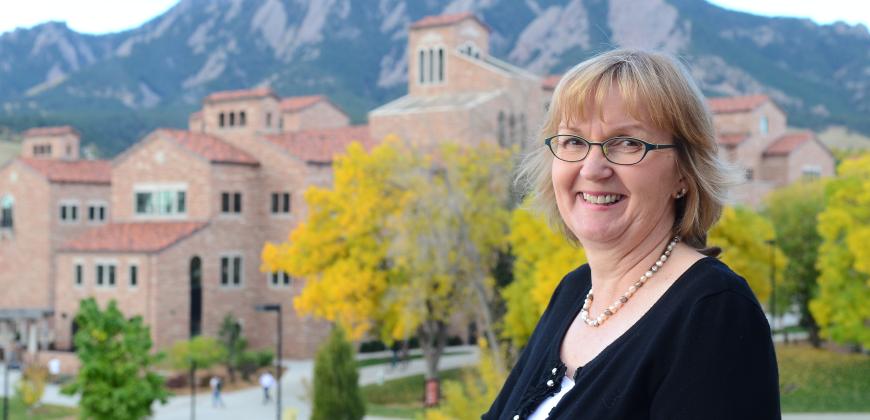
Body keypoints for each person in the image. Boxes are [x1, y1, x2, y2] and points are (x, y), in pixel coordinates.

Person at [484, 49, 780, 419]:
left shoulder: (713, 313)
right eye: (573, 141)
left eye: (627, 143)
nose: (593, 168)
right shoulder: (575, 292)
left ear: (684, 172)